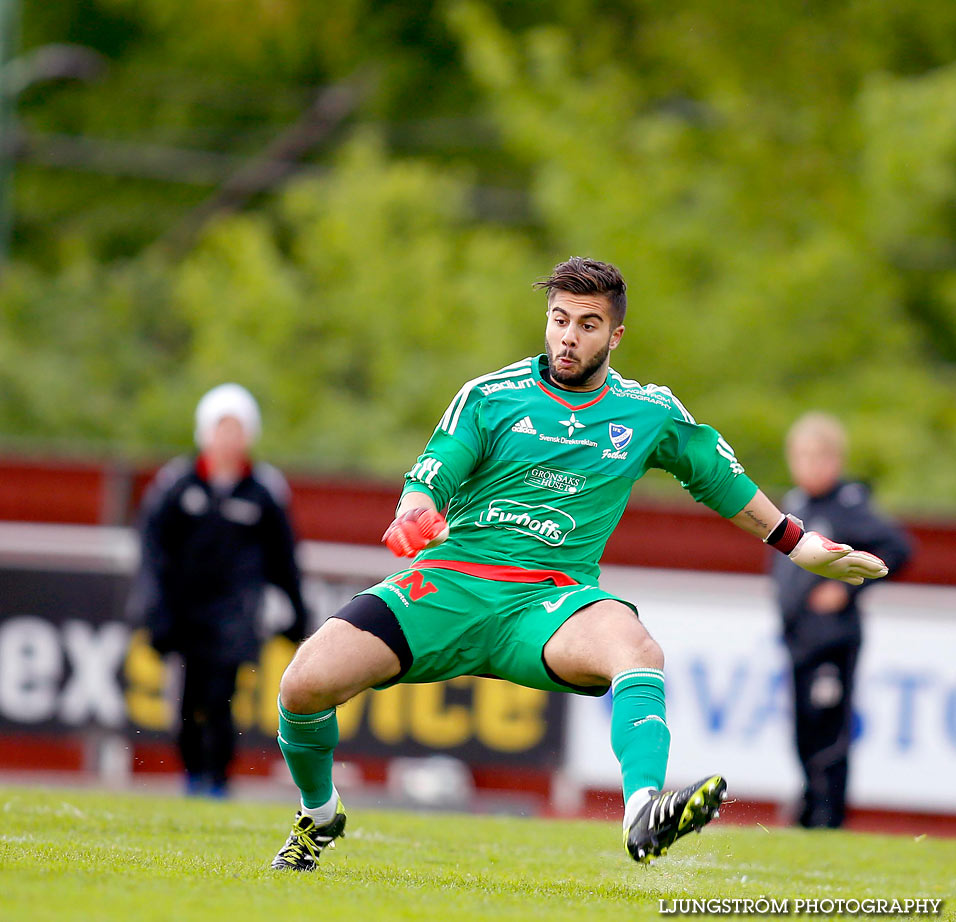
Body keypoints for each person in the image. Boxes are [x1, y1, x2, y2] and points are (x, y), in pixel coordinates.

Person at [268, 257, 891, 870]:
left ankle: (643, 809)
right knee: (301, 685)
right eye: (559, 319)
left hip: (550, 604)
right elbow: (431, 473)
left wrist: (802, 546)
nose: (568, 336)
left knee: (638, 651)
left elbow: (719, 481)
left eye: (587, 324)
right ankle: (320, 816)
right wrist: (415, 511)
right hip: (449, 586)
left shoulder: (649, 412)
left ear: (615, 335)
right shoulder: (489, 396)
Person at [130, 383, 310, 798]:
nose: (229, 439)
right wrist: (154, 608)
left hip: (236, 614)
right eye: (221, 428)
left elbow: (285, 558)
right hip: (185, 612)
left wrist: (296, 613)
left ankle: (218, 781)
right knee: (188, 699)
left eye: (237, 429)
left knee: (222, 698)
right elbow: (152, 551)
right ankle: (193, 776)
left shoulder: (265, 490)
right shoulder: (176, 484)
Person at [772, 412, 911, 829]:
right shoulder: (796, 504)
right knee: (803, 728)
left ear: (836, 460)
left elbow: (898, 547)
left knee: (828, 729)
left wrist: (848, 590)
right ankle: (810, 803)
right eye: (802, 457)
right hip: (800, 638)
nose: (811, 466)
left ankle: (828, 813)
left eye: (819, 457)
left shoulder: (849, 505)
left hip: (832, 638)